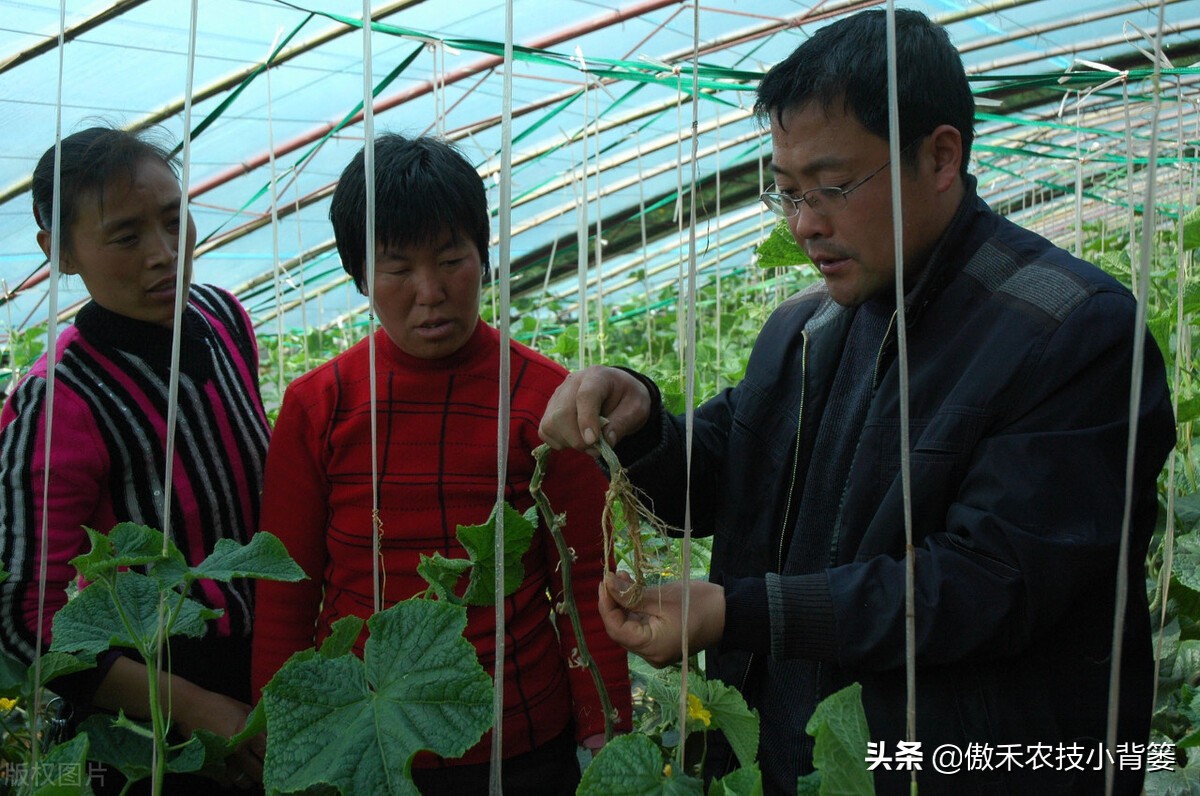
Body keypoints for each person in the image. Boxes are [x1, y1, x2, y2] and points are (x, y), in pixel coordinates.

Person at [538, 9, 1176, 795]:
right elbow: (726, 472)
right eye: (787, 193)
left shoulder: (1074, 330)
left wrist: (735, 613)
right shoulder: (805, 328)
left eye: (833, 186)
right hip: (793, 765)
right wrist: (638, 422)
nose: (806, 224)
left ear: (941, 157)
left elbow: (986, 587)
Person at [250, 133, 632, 794]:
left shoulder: (544, 400)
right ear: (359, 275)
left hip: (517, 739)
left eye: (452, 258)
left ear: (482, 257)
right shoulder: (319, 407)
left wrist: (605, 721)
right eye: (397, 268)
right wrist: (275, 732)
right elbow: (288, 589)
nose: (430, 291)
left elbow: (586, 577)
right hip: (362, 743)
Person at [0, 127, 270, 792]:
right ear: (60, 253)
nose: (165, 253)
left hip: (268, 667)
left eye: (176, 220)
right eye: (127, 237)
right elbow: (19, 620)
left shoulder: (223, 317)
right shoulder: (58, 400)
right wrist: (198, 709)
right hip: (148, 716)